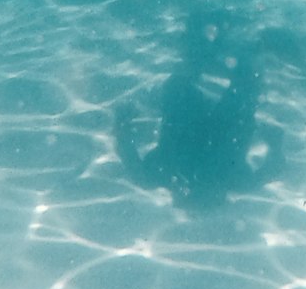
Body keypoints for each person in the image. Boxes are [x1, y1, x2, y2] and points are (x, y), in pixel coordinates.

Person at [114, 38, 285, 210]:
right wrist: (123, 123)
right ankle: (208, 52)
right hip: (211, 123)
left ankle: (211, 52)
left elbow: (273, 168)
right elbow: (128, 155)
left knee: (240, 88)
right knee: (182, 86)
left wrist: (274, 142)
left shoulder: (232, 179)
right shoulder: (163, 173)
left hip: (201, 122)